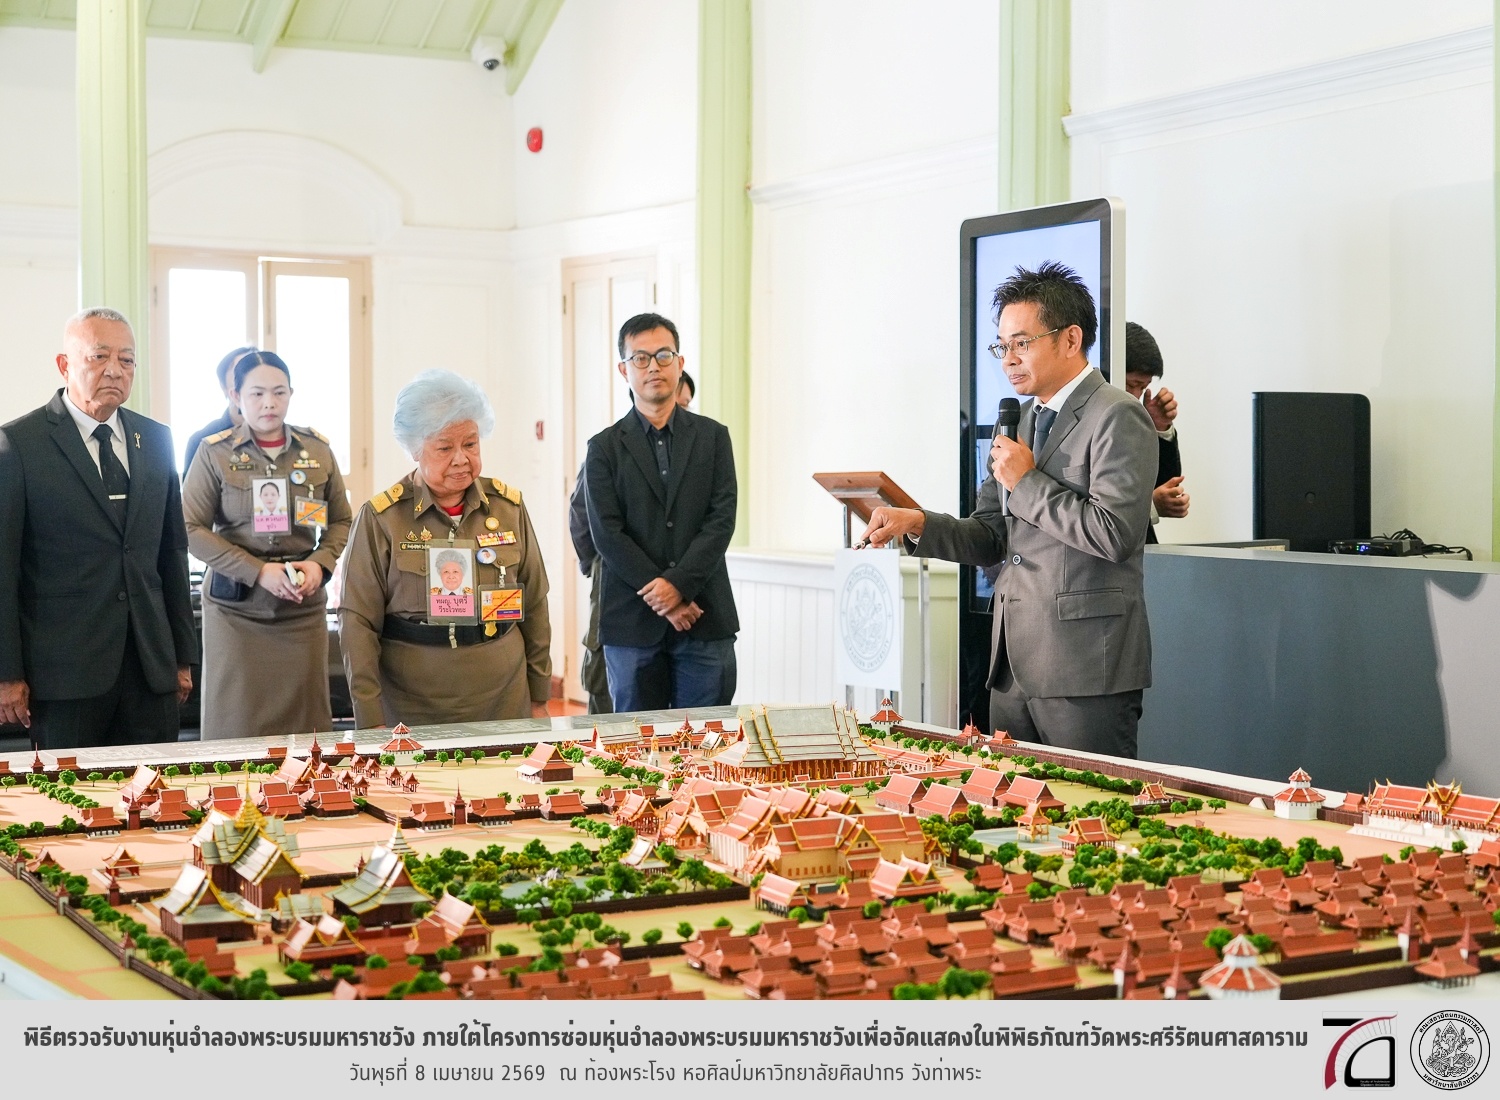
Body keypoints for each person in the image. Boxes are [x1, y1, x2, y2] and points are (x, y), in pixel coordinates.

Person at [860, 263, 1156, 758]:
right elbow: (993, 535)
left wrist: (1026, 481)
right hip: (1010, 667)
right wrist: (918, 523)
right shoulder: (1019, 420)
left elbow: (1115, 534)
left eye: (1022, 343)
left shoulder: (1118, 414)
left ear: (1070, 339)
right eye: (1002, 346)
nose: (1009, 359)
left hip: (1085, 669)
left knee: (1091, 803)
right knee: (1010, 802)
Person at [0, 307, 197, 747]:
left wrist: (182, 656)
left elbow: (172, 554)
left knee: (156, 784)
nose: (114, 370)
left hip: (149, 667)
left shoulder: (156, 439)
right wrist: (6, 673)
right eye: (99, 356)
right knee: (69, 786)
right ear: (64, 364)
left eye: (127, 360)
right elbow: (4, 568)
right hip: (64, 674)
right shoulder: (20, 444)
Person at [338, 370, 552, 728]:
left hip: (503, 694)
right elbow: (357, 622)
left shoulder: (508, 508)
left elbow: (535, 604)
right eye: (444, 448)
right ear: (415, 449)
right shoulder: (382, 518)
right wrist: (370, 716)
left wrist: (540, 694)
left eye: (470, 444)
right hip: (411, 701)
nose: (461, 458)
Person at [182, 351, 352, 741]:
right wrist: (257, 572)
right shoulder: (215, 452)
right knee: (236, 720)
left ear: (291, 393)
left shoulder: (317, 451)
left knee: (306, 725)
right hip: (237, 610)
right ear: (236, 396)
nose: (269, 403)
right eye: (257, 394)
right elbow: (188, 527)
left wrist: (320, 564)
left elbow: (342, 521)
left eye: (279, 392)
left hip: (300, 606)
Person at [585, 313, 739, 712]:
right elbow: (607, 534)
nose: (653, 366)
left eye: (663, 355)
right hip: (631, 623)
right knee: (637, 741)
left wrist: (679, 585)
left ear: (680, 363)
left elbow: (721, 520)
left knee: (708, 739)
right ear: (624, 370)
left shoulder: (713, 437)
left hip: (704, 616)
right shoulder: (603, 448)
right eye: (640, 358)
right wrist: (666, 597)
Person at [1123, 321, 1188, 542]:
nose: (1136, 396)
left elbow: (1166, 485)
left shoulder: (1134, 420)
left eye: (1142, 387)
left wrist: (1159, 428)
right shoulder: (1083, 420)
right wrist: (1151, 506)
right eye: (1130, 385)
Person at [568, 471, 613, 714]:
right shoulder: (604, 453)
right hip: (610, 575)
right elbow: (580, 514)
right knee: (602, 676)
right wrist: (593, 563)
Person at [182, 345, 257, 474]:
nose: (251, 379)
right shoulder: (203, 440)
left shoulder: (287, 436)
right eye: (242, 371)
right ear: (224, 387)